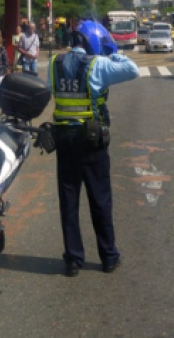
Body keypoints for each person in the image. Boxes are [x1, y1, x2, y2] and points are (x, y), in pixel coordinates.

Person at [51, 20, 137, 277]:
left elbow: (49, 90)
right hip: (90, 139)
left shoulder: (55, 63)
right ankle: (108, 256)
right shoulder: (97, 65)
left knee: (69, 199)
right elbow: (132, 69)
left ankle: (73, 260)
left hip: (64, 137)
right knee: (100, 198)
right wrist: (112, 51)